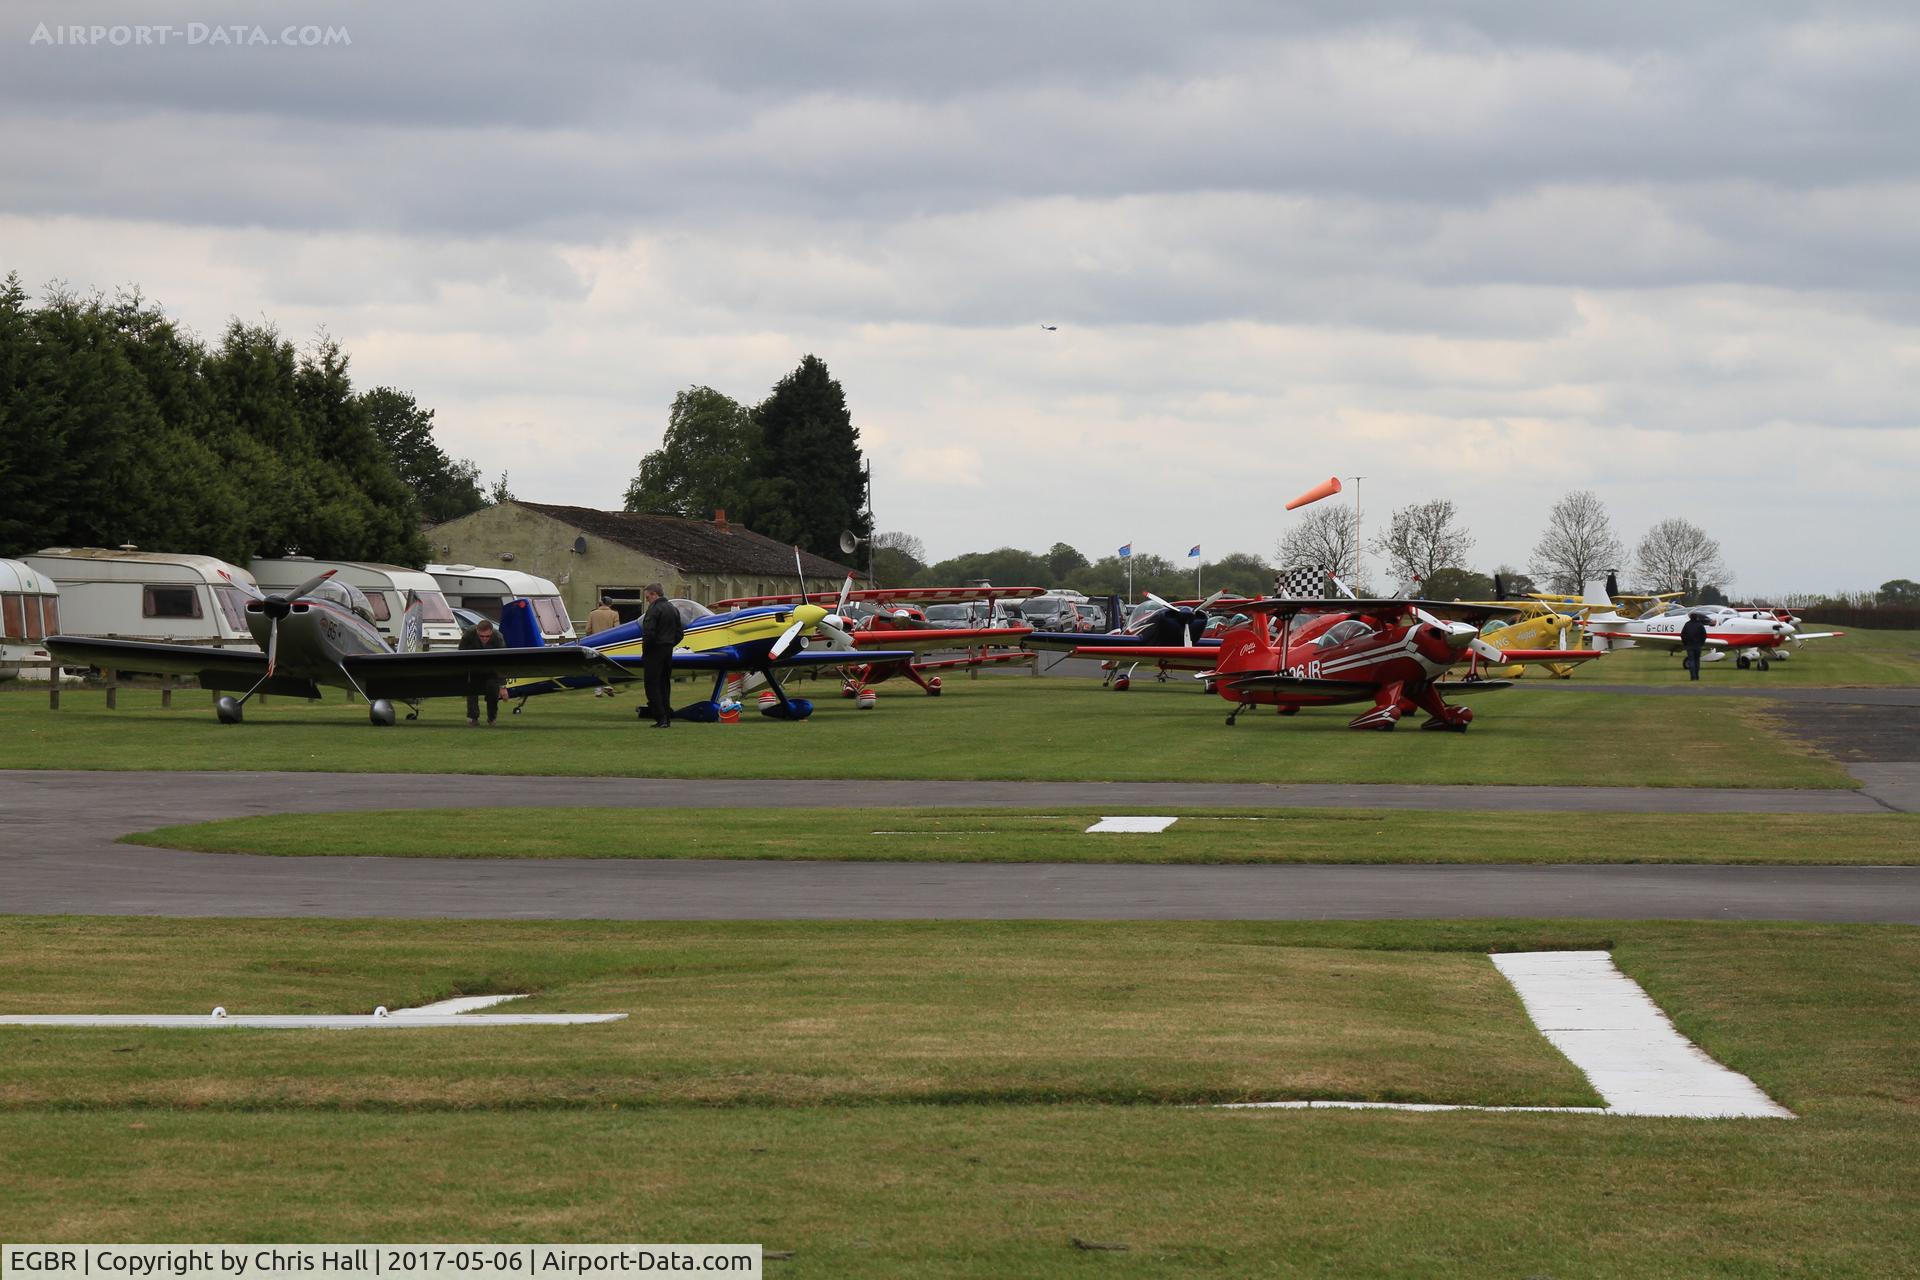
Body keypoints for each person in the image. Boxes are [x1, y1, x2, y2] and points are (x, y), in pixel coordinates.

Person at [640, 583, 684, 728]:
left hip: (654, 651)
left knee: (651, 685)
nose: (647, 601)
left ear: (654, 594)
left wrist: (646, 651)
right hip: (667, 650)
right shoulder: (673, 609)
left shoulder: (653, 610)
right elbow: (679, 633)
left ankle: (660, 717)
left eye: (648, 597)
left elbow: (649, 633)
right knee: (664, 684)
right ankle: (667, 716)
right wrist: (669, 643)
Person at [459, 617, 507, 725]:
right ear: (477, 631)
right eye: (482, 636)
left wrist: (503, 686)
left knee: (493, 693)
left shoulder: (498, 637)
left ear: (491, 632)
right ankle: (473, 717)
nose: (484, 638)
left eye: (487, 636)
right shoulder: (468, 635)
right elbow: (460, 655)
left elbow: (502, 662)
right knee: (471, 691)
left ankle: (492, 718)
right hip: (473, 667)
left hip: (492, 668)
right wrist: (463, 677)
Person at [1680, 611, 1709, 681]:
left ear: (1690, 617)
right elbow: (1704, 635)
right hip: (1698, 646)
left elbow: (1682, 635)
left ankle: (1692, 676)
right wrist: (1701, 643)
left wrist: (1685, 643)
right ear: (1696, 618)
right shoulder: (1700, 625)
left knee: (1691, 661)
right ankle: (1697, 676)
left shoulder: (1687, 624)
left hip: (1689, 646)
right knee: (1697, 661)